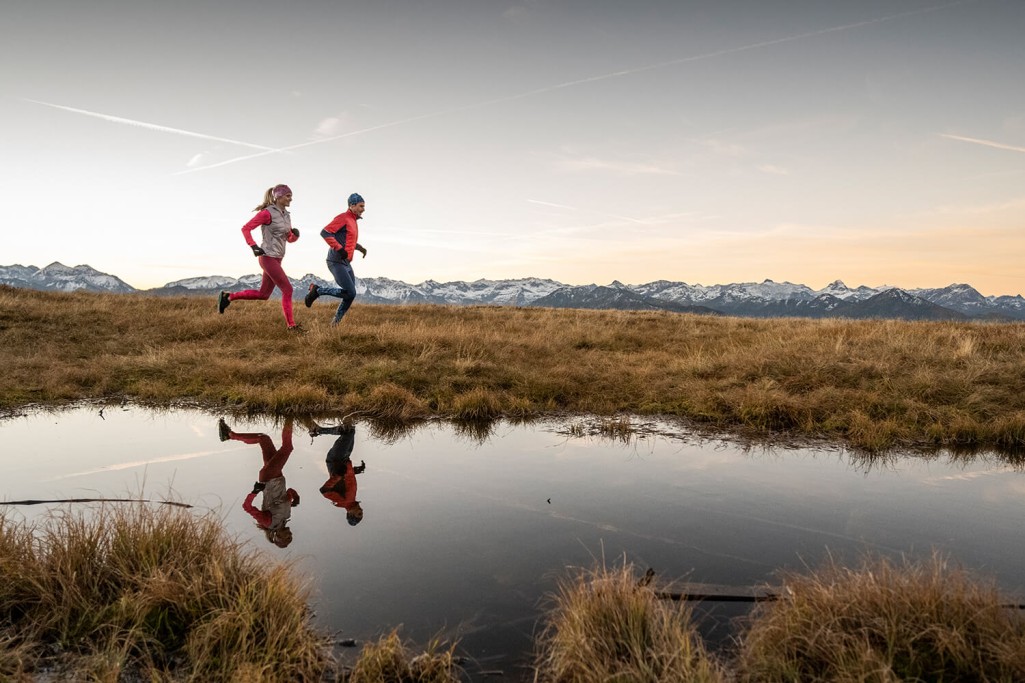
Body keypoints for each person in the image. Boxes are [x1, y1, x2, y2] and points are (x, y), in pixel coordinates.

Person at [218, 184, 304, 333]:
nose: (291, 198)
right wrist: (253, 246)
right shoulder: (267, 213)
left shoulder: (286, 215)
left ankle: (228, 297)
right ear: (278, 196)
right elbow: (246, 228)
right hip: (267, 257)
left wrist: (294, 236)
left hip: (278, 258)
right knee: (288, 289)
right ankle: (291, 326)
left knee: (264, 295)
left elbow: (287, 239)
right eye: (288, 195)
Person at [219, 417, 301, 547]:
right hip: (276, 475)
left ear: (277, 537)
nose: (290, 535)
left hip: (269, 477)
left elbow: (247, 507)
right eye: (291, 537)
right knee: (264, 439)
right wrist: (295, 497)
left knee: (287, 447)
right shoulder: (285, 517)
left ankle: (289, 416)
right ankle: (230, 435)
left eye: (287, 538)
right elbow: (288, 492)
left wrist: (255, 491)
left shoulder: (268, 522)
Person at [304, 192, 368, 325]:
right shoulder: (343, 217)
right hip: (335, 261)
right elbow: (325, 232)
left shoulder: (353, 221)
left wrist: (359, 247)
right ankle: (318, 290)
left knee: (350, 295)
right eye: (361, 206)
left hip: (346, 262)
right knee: (350, 292)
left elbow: (347, 240)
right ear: (352, 205)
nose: (363, 209)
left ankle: (334, 324)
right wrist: (339, 249)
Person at [307, 421, 366, 526]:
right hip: (344, 459)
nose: (361, 511)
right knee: (350, 430)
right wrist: (356, 470)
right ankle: (321, 428)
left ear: (350, 513)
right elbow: (347, 479)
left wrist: (338, 476)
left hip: (335, 460)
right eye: (361, 513)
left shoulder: (342, 502)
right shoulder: (351, 499)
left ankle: (317, 430)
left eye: (359, 514)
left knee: (349, 432)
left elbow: (324, 490)